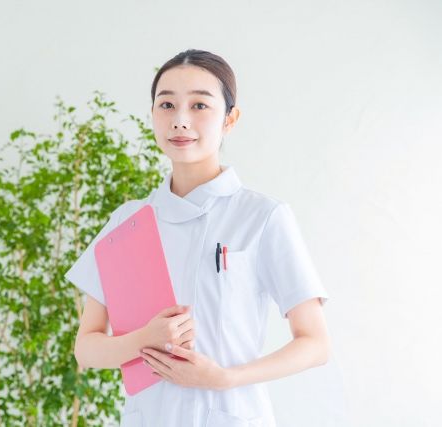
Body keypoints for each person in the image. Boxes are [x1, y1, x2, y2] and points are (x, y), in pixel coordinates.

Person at [65, 49, 331, 427]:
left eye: (199, 105)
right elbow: (87, 349)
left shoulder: (262, 217)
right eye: (167, 105)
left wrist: (224, 378)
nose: (180, 120)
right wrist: (145, 339)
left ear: (230, 119)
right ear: (153, 115)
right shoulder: (127, 221)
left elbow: (315, 344)